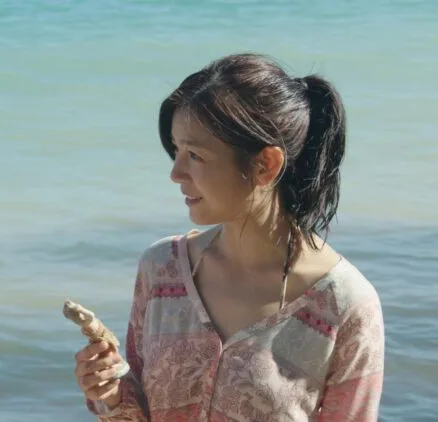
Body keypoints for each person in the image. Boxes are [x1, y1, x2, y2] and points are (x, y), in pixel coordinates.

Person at [74, 53, 385, 421]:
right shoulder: (162, 271)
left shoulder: (344, 307)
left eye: (194, 155)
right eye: (176, 150)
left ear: (265, 165)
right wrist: (111, 395)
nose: (175, 173)